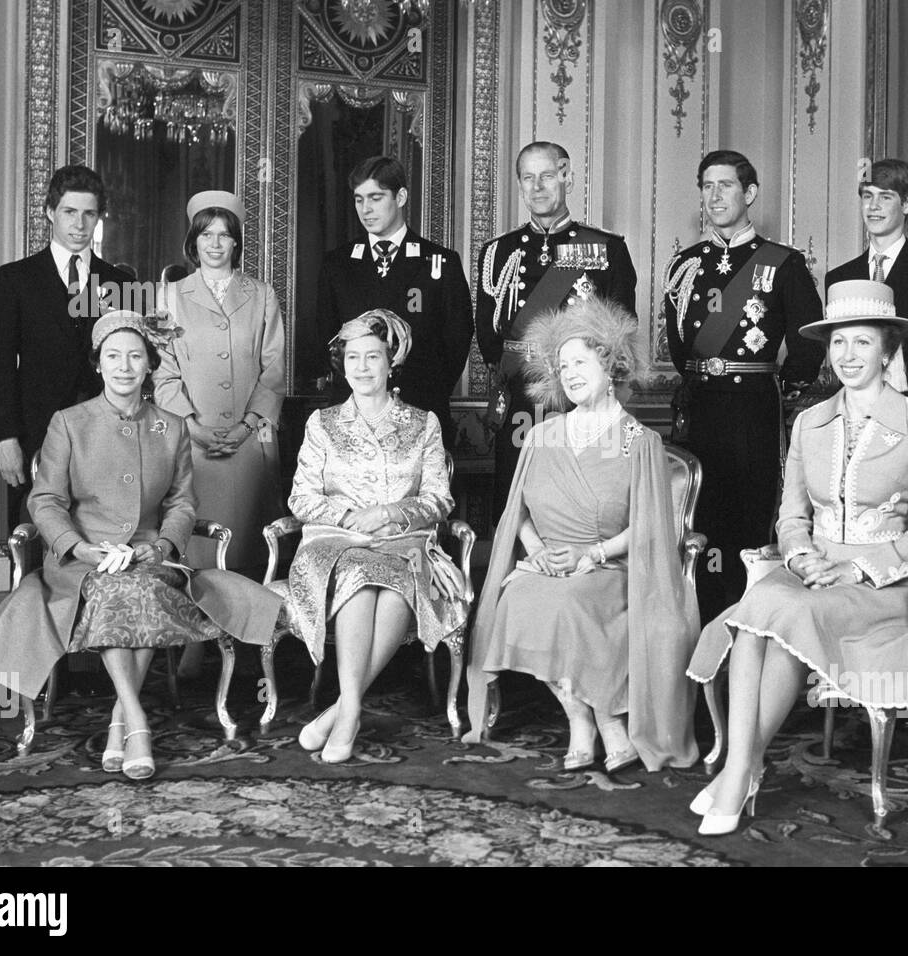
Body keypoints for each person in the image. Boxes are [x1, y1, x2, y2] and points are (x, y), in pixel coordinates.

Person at [685, 280, 908, 835]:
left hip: (882, 587)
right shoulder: (809, 422)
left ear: (887, 350)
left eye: (861, 343)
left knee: (781, 615)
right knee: (761, 611)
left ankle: (739, 769)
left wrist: (855, 567)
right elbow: (790, 517)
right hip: (812, 571)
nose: (848, 356)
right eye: (838, 344)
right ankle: (746, 765)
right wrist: (803, 558)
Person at [0, 312, 282, 781]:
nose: (124, 366)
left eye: (135, 357)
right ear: (98, 365)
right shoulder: (69, 423)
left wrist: (161, 547)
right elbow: (44, 500)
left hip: (150, 558)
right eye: (113, 357)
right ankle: (136, 720)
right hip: (81, 564)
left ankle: (121, 719)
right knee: (114, 590)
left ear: (149, 365)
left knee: (138, 587)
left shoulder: (172, 427)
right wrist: (79, 549)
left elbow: (183, 503)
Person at [463, 297, 698, 773]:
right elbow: (517, 513)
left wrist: (591, 555)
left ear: (610, 365)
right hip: (546, 564)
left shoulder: (641, 441)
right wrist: (538, 553)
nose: (569, 374)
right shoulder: (542, 435)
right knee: (518, 598)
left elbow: (651, 526)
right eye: (562, 365)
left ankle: (607, 722)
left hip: (611, 565)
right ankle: (584, 721)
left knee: (571, 604)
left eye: (580, 362)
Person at [286, 310, 468, 764]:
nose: (362, 367)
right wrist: (352, 516)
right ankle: (348, 713)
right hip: (334, 544)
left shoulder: (422, 423)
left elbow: (439, 500)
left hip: (405, 544)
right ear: (341, 364)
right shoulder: (321, 424)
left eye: (373, 356)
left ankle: (342, 713)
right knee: (361, 573)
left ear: (392, 363)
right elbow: (300, 498)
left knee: (392, 587)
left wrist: (391, 512)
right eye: (353, 357)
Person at [663, 149, 825, 623]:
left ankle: (745, 624)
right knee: (698, 518)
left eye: (726, 186)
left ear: (749, 193)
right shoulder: (686, 263)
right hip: (697, 408)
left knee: (748, 517)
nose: (715, 196)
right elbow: (676, 341)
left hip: (751, 409)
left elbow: (807, 339)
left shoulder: (782, 263)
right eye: (707, 186)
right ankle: (701, 622)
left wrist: (789, 388)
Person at [477, 141, 637, 519]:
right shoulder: (499, 252)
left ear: (566, 176)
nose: (537, 187)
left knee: (578, 498)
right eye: (528, 178)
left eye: (546, 176)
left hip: (580, 395)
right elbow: (488, 332)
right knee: (517, 496)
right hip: (518, 391)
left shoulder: (606, 249)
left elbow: (621, 332)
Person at [0, 164, 135, 529]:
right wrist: (6, 439)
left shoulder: (120, 282)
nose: (80, 224)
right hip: (34, 431)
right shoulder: (15, 279)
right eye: (70, 212)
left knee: (102, 538)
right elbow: (0, 363)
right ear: (50, 212)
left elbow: (134, 362)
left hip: (106, 434)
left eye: (89, 214)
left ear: (99, 217)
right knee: (32, 539)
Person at [153, 191, 285, 576]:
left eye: (224, 235)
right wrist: (191, 426)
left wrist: (247, 426)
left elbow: (274, 370)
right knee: (196, 555)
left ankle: (243, 633)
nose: (215, 244)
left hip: (249, 442)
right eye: (206, 234)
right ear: (193, 241)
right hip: (190, 443)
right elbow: (163, 372)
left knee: (246, 553)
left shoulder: (262, 296)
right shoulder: (169, 297)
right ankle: (197, 633)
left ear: (236, 242)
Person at [316, 156, 473, 449]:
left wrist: (427, 387)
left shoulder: (440, 262)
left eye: (376, 198)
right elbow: (326, 337)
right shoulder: (337, 264)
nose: (366, 209)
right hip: (354, 413)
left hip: (421, 406)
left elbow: (458, 338)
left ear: (400, 197)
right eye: (359, 199)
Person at [824, 159, 908, 409]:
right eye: (867, 196)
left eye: (885, 197)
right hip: (856, 412)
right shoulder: (839, 278)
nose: (873, 206)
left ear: (907, 204)